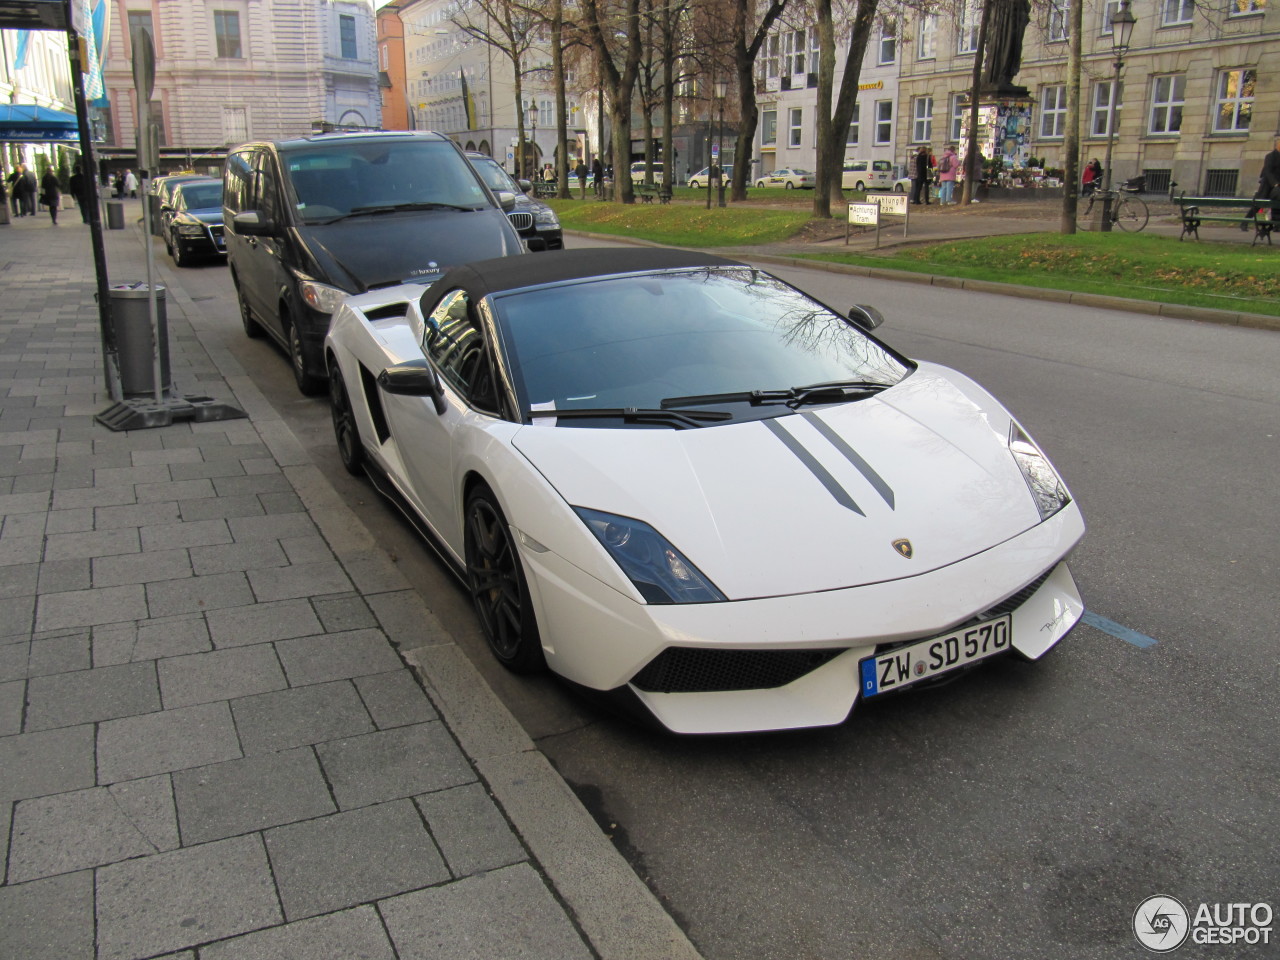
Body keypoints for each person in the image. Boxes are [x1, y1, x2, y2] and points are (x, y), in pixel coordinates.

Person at [1244, 137, 1280, 227]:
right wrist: (1275, 183)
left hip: (1277, 188)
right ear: (1277, 145)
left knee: (1277, 200)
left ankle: (1276, 223)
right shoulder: (1270, 156)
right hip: (1267, 185)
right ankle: (1244, 222)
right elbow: (1268, 171)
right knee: (1258, 204)